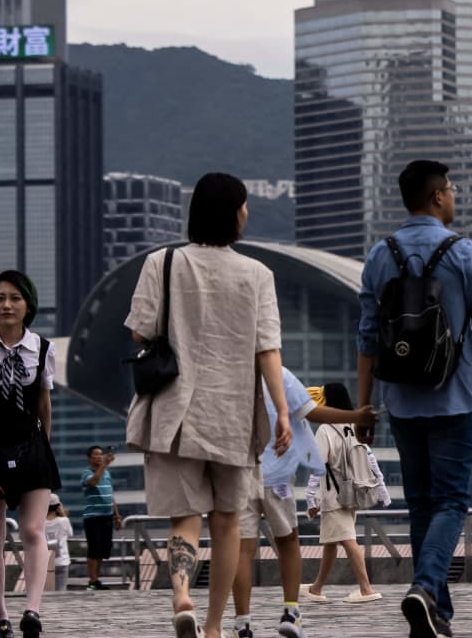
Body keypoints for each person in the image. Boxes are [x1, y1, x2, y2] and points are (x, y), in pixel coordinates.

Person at [125, 173, 295, 638]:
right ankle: (216, 625)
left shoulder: (162, 262)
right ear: (235, 212)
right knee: (227, 524)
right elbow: (268, 350)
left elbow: (140, 331)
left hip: (176, 412)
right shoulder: (257, 274)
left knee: (186, 516)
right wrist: (281, 411)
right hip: (233, 415)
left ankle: (181, 594)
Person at [357, 159, 472, 638]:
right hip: (454, 396)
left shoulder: (379, 254)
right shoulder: (463, 252)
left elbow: (367, 337)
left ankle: (436, 615)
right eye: (450, 189)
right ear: (436, 197)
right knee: (451, 501)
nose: (453, 196)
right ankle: (426, 587)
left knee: (422, 506)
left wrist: (365, 405)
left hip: (402, 401)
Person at [230, 370, 375, 638]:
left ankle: (243, 623)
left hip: (239, 471)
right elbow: (312, 412)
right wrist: (356, 416)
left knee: (242, 550)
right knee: (288, 541)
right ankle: (291, 612)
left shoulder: (227, 371)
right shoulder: (279, 374)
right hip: (277, 473)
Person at [0, 270, 62, 638]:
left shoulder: (44, 349)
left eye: (15, 298)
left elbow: (44, 403)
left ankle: (32, 610)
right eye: (0, 298)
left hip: (32, 446)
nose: (6, 305)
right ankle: (0, 616)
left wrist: (44, 446)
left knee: (35, 530)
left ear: (28, 304)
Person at [304, 382, 384, 607]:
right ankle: (316, 587)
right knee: (332, 542)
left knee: (348, 540)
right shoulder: (353, 425)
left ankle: (366, 589)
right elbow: (369, 457)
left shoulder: (326, 429)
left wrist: (313, 497)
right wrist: (381, 487)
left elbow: (318, 464)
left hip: (334, 495)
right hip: (353, 492)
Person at [77, 446, 122, 589]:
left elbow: (110, 495)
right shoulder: (86, 473)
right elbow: (93, 482)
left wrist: (117, 515)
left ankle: (97, 580)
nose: (99, 457)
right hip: (93, 516)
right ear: (89, 458)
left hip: (107, 516)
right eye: (96, 455)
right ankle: (92, 580)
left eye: (101, 455)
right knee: (94, 548)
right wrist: (104, 465)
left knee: (103, 549)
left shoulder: (107, 473)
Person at [46, 500, 73, 596]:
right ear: (58, 507)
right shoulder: (64, 520)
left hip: (47, 560)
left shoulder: (41, 522)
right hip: (62, 559)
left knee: (47, 591)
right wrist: (64, 515)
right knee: (61, 590)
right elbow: (70, 534)